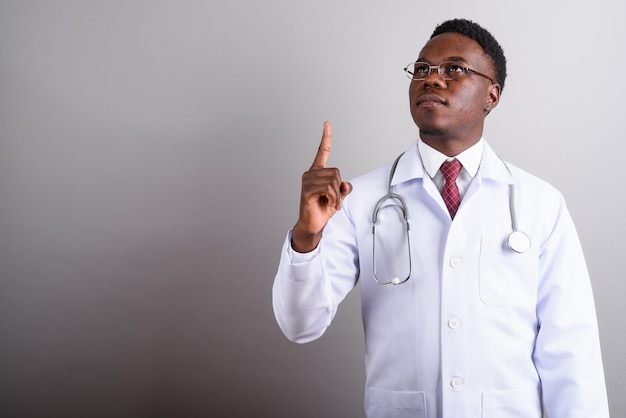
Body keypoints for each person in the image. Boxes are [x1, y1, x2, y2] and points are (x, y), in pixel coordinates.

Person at [272, 18, 609, 418]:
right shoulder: (356, 200)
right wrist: (307, 236)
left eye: (454, 70)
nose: (432, 80)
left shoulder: (540, 203)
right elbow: (299, 325)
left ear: (492, 95)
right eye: (422, 70)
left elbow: (570, 350)